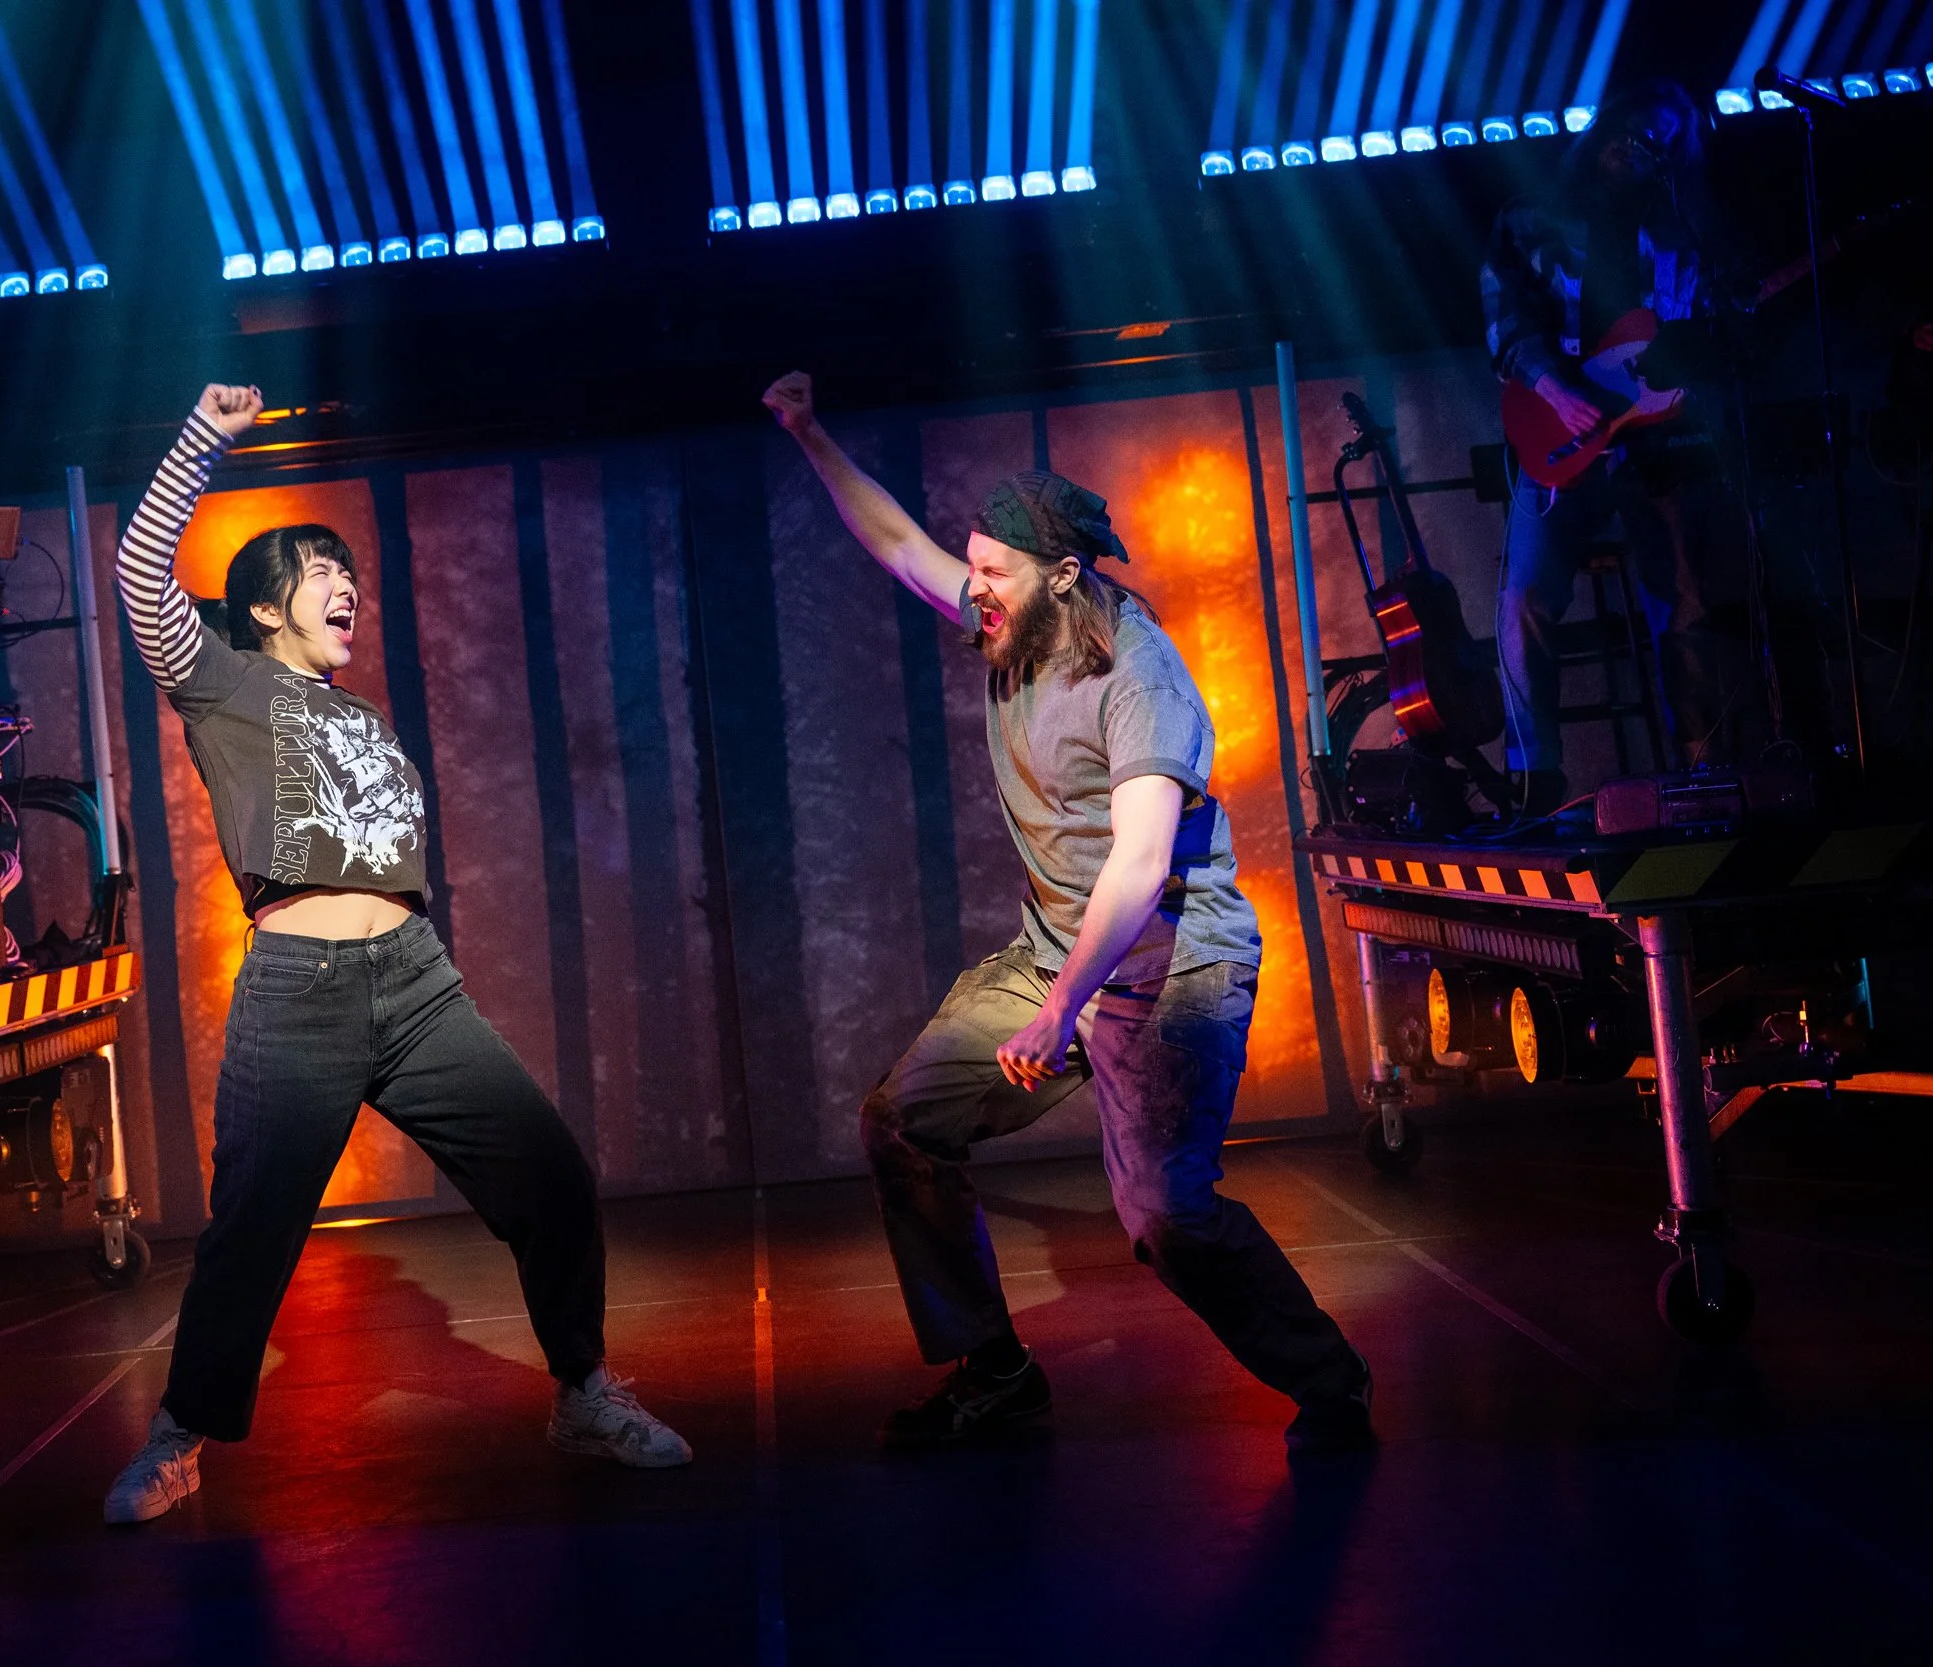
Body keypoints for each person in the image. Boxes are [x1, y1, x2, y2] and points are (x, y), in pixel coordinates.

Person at [101, 384, 691, 1525]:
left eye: (348, 572)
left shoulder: (359, 712)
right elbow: (138, 571)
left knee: (550, 1177)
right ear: (263, 606)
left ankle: (584, 1391)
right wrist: (203, 436)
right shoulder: (221, 682)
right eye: (320, 571)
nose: (346, 585)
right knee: (254, 1228)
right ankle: (179, 1436)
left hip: (416, 983)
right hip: (300, 993)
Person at [762, 370, 1373, 1453]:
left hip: (1172, 963)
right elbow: (898, 544)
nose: (973, 591)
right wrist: (809, 429)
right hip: (1060, 954)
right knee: (903, 1121)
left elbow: (1139, 863)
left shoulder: (1140, 678)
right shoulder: (1013, 622)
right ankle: (995, 1369)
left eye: (992, 573)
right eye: (974, 569)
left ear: (1063, 576)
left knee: (1168, 1217)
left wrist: (1060, 1012)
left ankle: (1331, 1385)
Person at [1483, 81, 1745, 809]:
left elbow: (1716, 332)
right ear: (1603, 129)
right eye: (1631, 128)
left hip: (1663, 437)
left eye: (1659, 139)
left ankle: (1704, 768)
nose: (1637, 145)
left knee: (1686, 599)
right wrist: (1552, 388)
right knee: (1523, 599)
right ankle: (1534, 780)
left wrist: (1720, 341)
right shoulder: (1531, 218)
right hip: (1560, 430)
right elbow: (1505, 320)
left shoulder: (1688, 233)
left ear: (1676, 154)